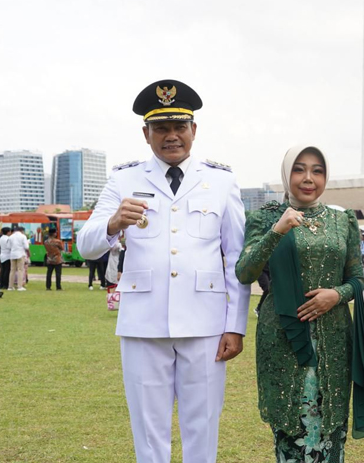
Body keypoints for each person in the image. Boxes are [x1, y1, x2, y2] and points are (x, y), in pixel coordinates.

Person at [77, 79, 250, 463]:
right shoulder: (124, 179)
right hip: (143, 323)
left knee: (203, 426)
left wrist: (235, 325)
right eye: (160, 128)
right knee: (148, 432)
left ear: (194, 130)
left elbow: (236, 257)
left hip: (205, 324)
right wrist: (112, 224)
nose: (171, 136)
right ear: (146, 133)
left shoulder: (220, 181)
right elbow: (85, 244)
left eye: (179, 127)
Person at [235, 145, 364, 463]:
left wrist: (336, 295)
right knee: (292, 427)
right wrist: (277, 230)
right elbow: (246, 272)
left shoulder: (343, 221)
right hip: (284, 338)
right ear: (286, 174)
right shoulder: (264, 218)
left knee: (328, 430)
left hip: (334, 341)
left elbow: (358, 279)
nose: (309, 178)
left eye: (317, 170)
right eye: (299, 169)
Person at [8, 226, 29, 291]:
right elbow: (26, 247)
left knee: (12, 270)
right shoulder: (23, 236)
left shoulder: (11, 237)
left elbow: (8, 246)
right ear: (21, 231)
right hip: (20, 254)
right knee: (20, 270)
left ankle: (10, 286)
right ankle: (19, 286)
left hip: (12, 254)